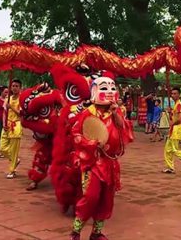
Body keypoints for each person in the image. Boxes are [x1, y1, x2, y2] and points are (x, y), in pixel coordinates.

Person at [70, 75, 133, 240]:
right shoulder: (87, 113)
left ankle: (96, 234)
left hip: (110, 162)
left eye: (112, 88)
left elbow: (124, 131)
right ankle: (75, 232)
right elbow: (75, 133)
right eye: (104, 88)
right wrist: (90, 143)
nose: (110, 91)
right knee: (91, 197)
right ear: (94, 91)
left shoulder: (116, 112)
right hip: (93, 163)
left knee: (106, 199)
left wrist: (115, 114)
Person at [0, 79, 22, 179]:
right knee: (2, 148)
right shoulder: (7, 98)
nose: (14, 88)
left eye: (16, 86)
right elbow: (4, 112)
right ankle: (15, 159)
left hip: (16, 125)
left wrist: (11, 107)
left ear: (20, 88)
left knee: (14, 150)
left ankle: (12, 170)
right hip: (7, 125)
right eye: (13, 86)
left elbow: (21, 114)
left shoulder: (22, 99)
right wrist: (4, 123)